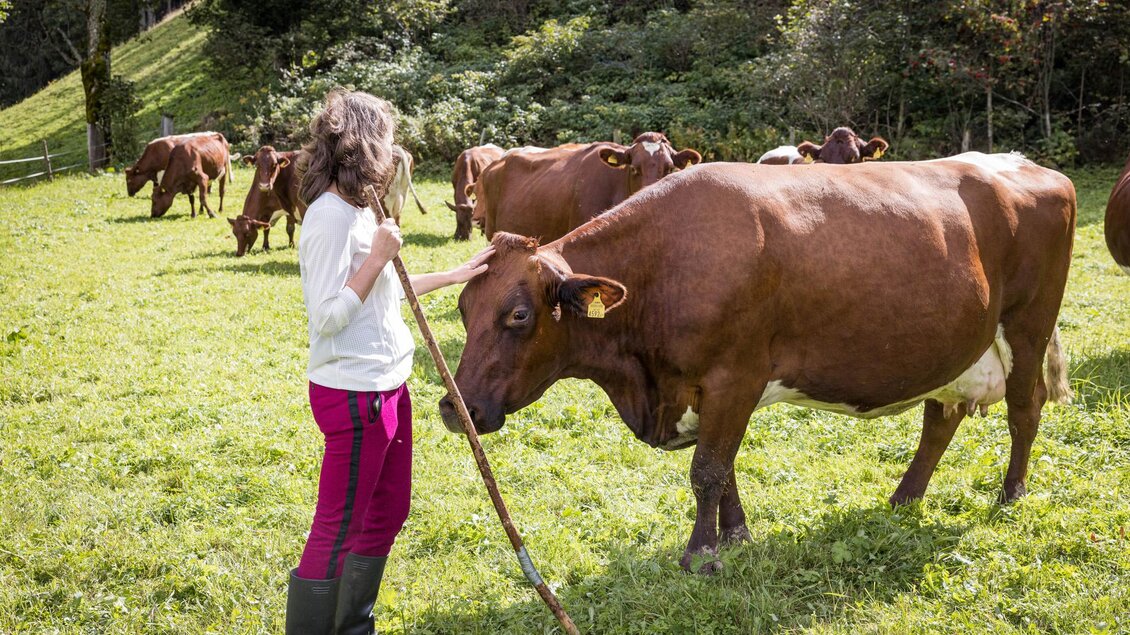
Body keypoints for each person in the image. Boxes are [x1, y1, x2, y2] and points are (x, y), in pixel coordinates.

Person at [287, 89, 494, 635]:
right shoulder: (329, 218)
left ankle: (353, 626)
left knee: (388, 512)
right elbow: (328, 316)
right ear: (363, 144)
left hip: (390, 385)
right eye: (387, 136)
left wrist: (454, 274)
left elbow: (382, 293)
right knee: (337, 525)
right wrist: (378, 255)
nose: (394, 147)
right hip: (353, 393)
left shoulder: (359, 210)